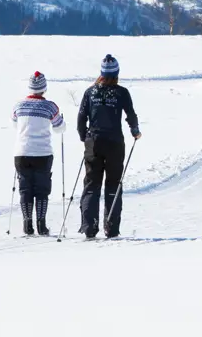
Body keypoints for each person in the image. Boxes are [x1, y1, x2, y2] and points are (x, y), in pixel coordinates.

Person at [77, 54, 142, 239]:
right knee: (113, 184)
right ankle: (111, 228)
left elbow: (81, 118)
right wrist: (135, 132)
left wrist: (84, 137)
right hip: (114, 143)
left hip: (94, 142)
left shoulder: (90, 92)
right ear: (117, 72)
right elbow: (131, 115)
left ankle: (89, 227)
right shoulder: (121, 92)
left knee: (91, 184)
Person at [11, 71, 65, 236]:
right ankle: (41, 225)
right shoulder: (50, 106)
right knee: (41, 190)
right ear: (44, 88)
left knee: (25, 189)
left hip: (21, 152)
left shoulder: (18, 106)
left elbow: (15, 125)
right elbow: (59, 129)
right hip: (42, 153)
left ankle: (27, 224)